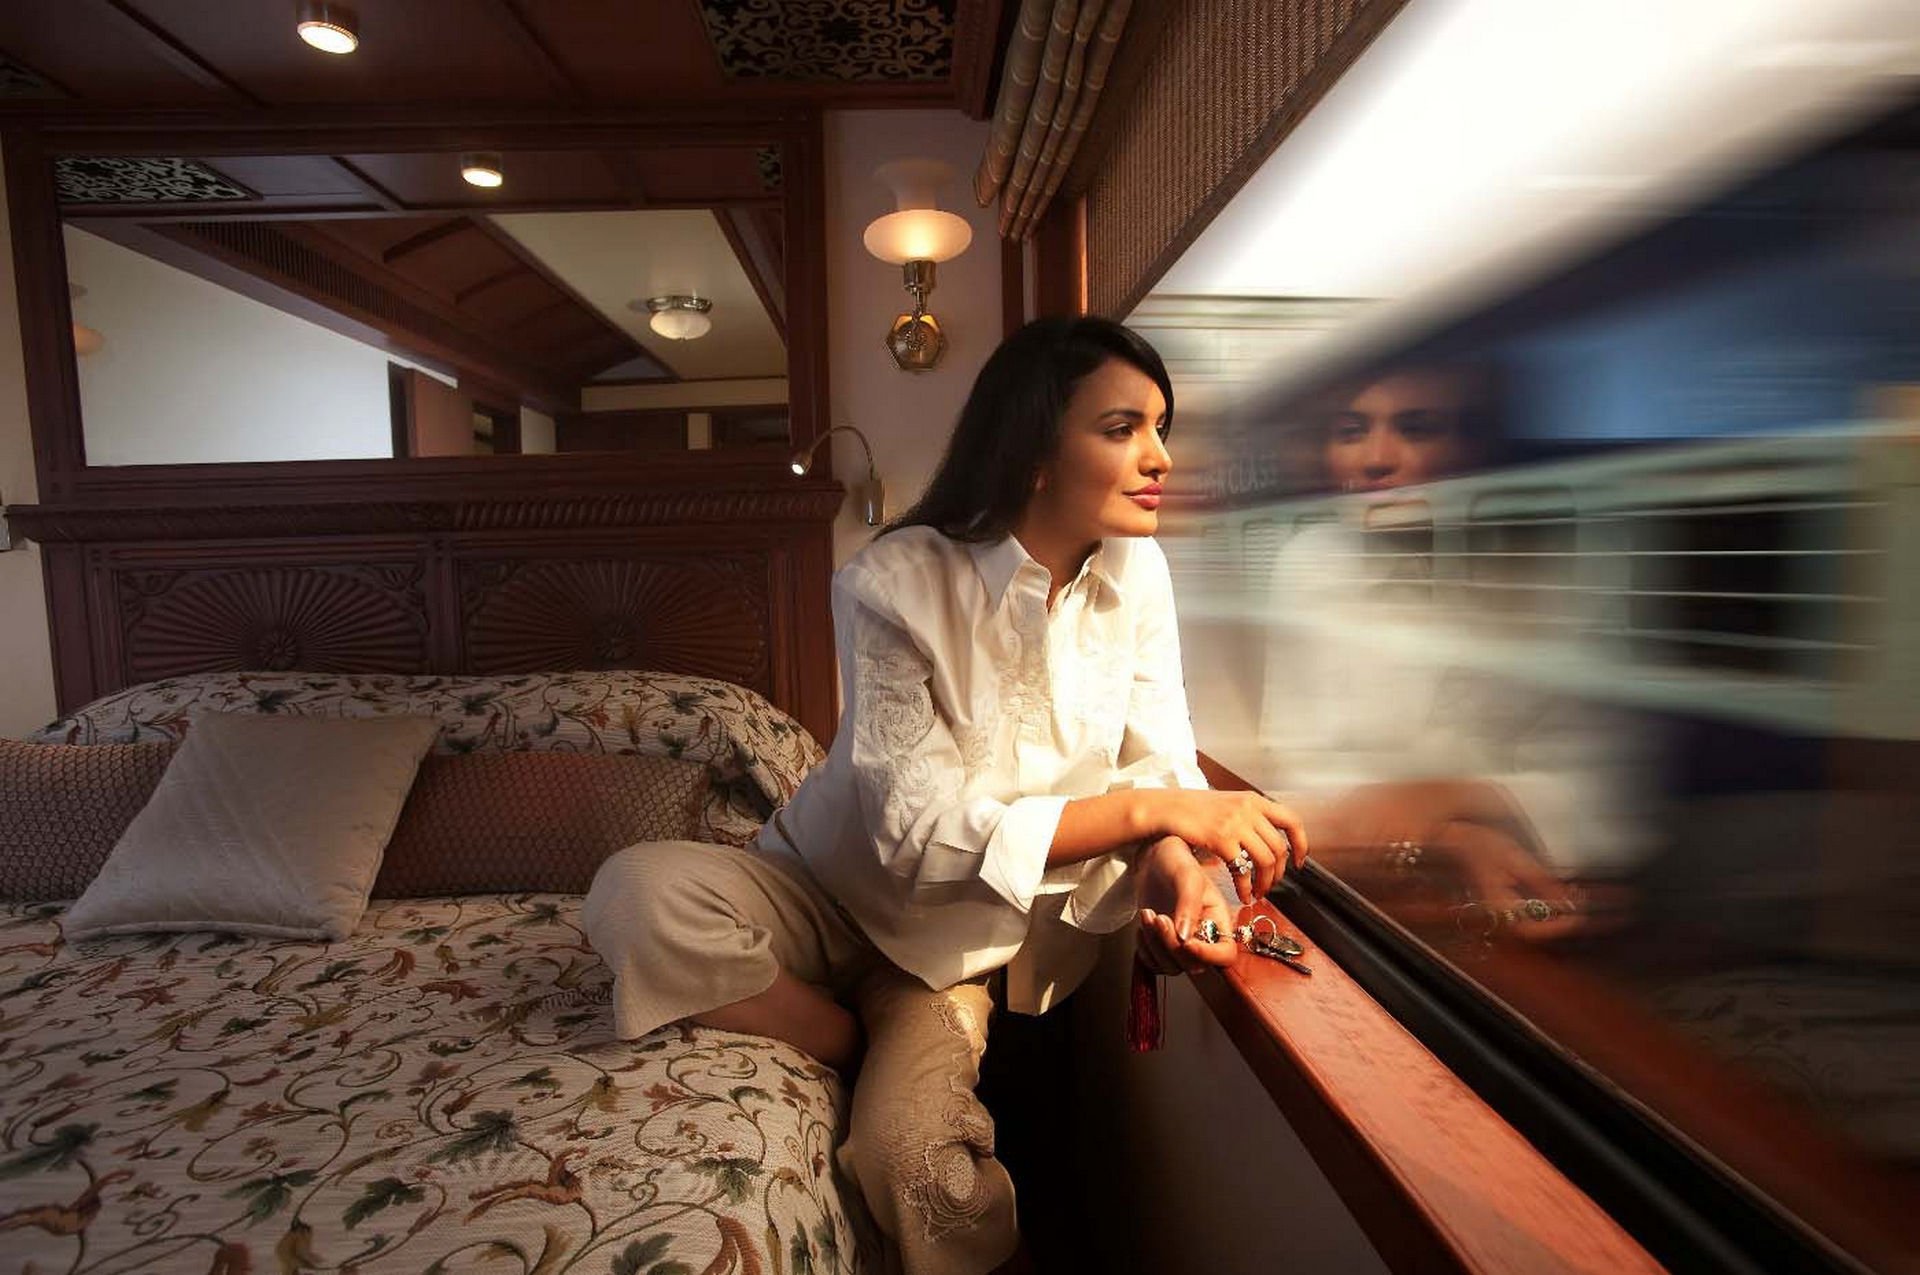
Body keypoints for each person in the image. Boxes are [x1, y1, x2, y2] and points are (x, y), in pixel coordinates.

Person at [584, 317, 1308, 1275]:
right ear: (1033, 447)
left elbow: (1155, 755)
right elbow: (916, 833)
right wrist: (1156, 816)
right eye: (1123, 427)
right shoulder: (891, 581)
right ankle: (838, 1038)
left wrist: (1180, 869)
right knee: (634, 891)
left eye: (1160, 427)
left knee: (911, 1157)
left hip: (948, 951)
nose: (1160, 456)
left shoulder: (1140, 570)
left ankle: (876, 1060)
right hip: (816, 887)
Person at [1257, 362, 1654, 943]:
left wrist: (1451, 796)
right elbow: (1298, 770)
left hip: (1551, 902)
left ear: (1479, 447)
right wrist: (1451, 839)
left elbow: (1611, 792)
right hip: (1364, 902)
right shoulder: (1310, 564)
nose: (1375, 458)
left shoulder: (1576, 565)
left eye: (1416, 429)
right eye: (1350, 431)